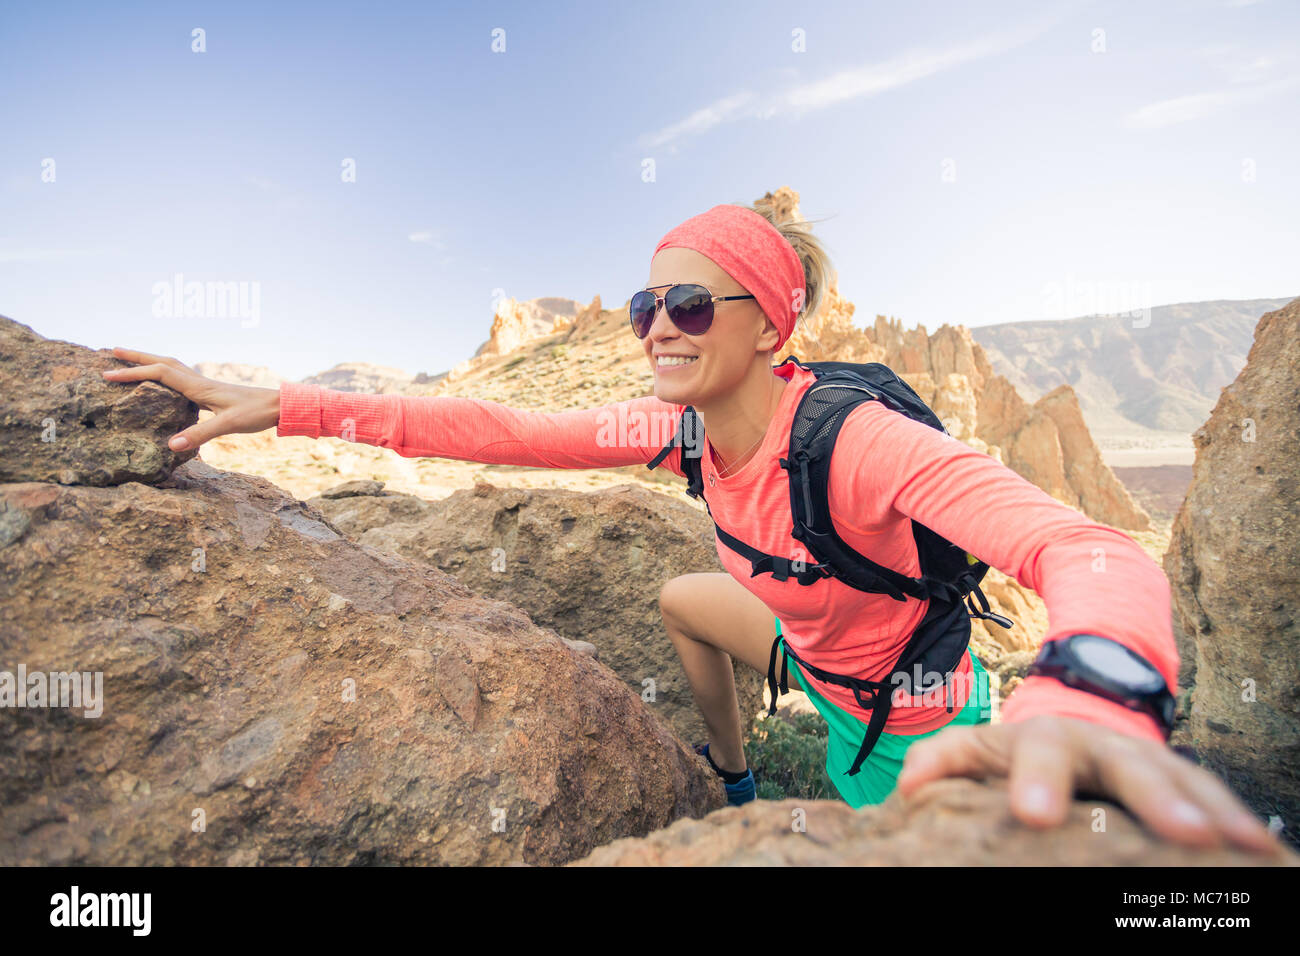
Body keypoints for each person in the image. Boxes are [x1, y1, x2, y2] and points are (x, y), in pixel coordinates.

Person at [102, 202, 1279, 854]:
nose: (655, 325)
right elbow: (491, 427)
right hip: (804, 646)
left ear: (765, 324)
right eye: (640, 304)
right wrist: (282, 404)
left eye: (686, 304)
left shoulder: (852, 438)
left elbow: (1091, 552)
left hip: (903, 700)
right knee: (682, 600)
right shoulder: (684, 432)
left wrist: (1086, 700)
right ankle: (730, 773)